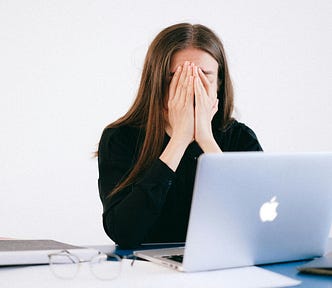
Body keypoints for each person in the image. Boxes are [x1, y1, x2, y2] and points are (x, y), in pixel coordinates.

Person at [97, 23, 263, 249]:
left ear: (219, 83)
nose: (191, 87)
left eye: (204, 76)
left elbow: (256, 224)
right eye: (177, 77)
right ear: (156, 82)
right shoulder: (120, 138)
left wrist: (206, 139)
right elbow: (124, 232)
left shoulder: (240, 138)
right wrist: (179, 140)